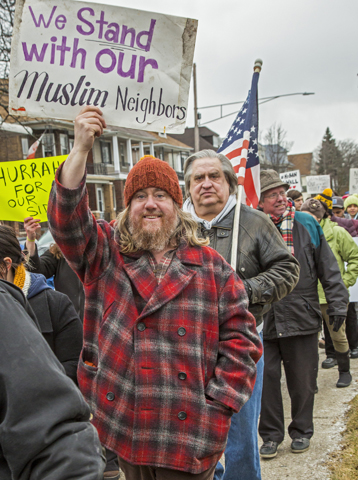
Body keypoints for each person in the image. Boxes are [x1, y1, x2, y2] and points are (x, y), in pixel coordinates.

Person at [47, 106, 263, 480]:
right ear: (127, 206)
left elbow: (242, 345)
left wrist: (217, 409)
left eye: (161, 195)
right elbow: (66, 220)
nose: (150, 203)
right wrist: (80, 148)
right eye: (140, 196)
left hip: (189, 434)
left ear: (178, 207)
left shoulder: (213, 268)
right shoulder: (104, 254)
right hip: (124, 426)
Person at [182, 150, 300, 480]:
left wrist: (243, 291)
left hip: (242, 344)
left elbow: (288, 269)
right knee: (194, 434)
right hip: (186, 346)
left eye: (214, 176)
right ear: (188, 188)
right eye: (198, 178)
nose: (206, 184)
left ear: (230, 184)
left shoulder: (254, 222)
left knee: (240, 433)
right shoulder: (175, 228)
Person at [257, 170, 349, 459]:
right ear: (258, 200)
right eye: (272, 194)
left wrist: (337, 304)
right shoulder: (251, 226)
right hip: (263, 320)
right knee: (266, 382)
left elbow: (328, 267)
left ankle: (302, 430)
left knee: (303, 381)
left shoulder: (307, 222)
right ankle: (270, 436)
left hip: (302, 314)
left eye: (282, 192)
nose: (280, 198)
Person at [0, 277, 105, 480]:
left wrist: (46, 374)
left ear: (6, 265)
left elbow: (75, 363)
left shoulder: (54, 302)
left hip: (60, 412)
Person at [0, 225, 83, 383]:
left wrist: (29, 383)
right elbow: (41, 267)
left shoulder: (56, 305)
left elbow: (74, 366)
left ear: (6, 265)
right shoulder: (57, 253)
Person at [301, 198, 358, 387]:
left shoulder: (337, 232)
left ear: (322, 216)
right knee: (308, 342)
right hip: (306, 297)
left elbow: (355, 258)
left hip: (328, 296)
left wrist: (345, 282)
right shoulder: (296, 233)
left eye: (314, 217)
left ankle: (344, 371)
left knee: (338, 335)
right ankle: (311, 379)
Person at [24, 217, 85, 322]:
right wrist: (30, 239)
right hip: (69, 321)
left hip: (98, 326)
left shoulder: (102, 250)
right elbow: (36, 271)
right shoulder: (58, 253)